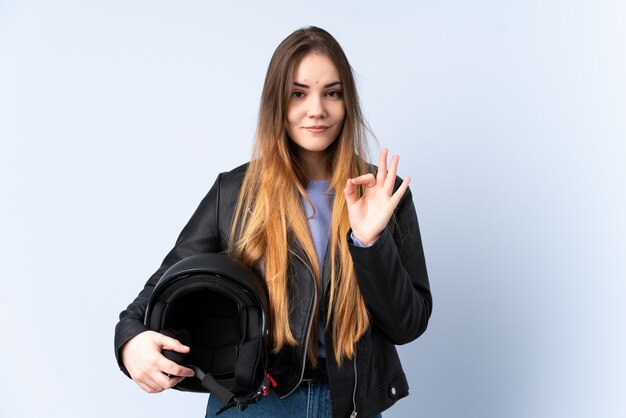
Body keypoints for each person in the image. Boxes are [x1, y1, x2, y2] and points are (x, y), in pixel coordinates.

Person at [114, 26, 432, 418]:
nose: (316, 109)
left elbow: (407, 325)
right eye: (298, 94)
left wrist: (369, 243)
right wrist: (131, 343)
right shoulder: (234, 193)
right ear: (275, 103)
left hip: (347, 404)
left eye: (332, 93)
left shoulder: (383, 193)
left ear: (347, 102)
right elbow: (151, 297)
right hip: (254, 404)